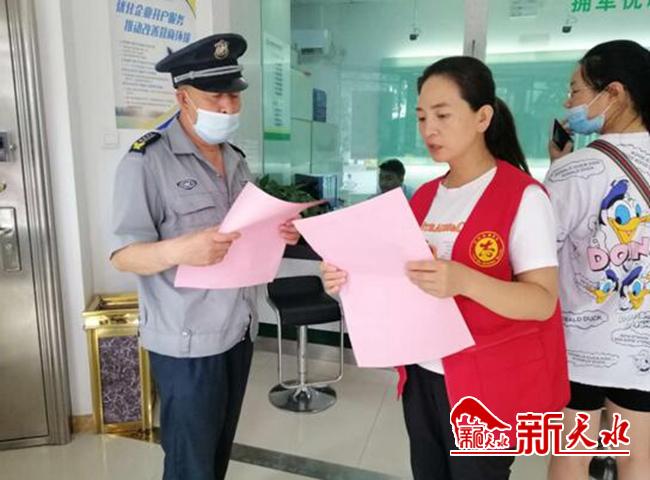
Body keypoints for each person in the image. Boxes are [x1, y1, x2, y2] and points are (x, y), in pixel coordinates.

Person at [322, 56, 569, 480]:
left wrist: (463, 280)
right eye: (421, 117)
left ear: (482, 117)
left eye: (442, 115)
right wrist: (347, 281)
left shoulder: (523, 197)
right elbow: (400, 278)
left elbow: (542, 301)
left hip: (488, 386)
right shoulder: (424, 197)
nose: (428, 129)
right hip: (423, 374)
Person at [109, 33, 300, 480]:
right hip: (187, 343)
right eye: (216, 97)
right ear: (183, 97)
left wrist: (277, 231)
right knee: (189, 464)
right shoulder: (146, 161)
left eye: (234, 95)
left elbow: (242, 232)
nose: (229, 107)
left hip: (237, 330)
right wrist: (180, 249)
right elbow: (123, 255)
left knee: (215, 457)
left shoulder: (235, 160)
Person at [545, 40, 650, 480]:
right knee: (637, 458)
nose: (569, 104)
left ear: (614, 93)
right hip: (643, 348)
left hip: (579, 346)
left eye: (576, 90)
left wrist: (557, 168)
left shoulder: (573, 170)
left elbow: (540, 252)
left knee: (572, 455)